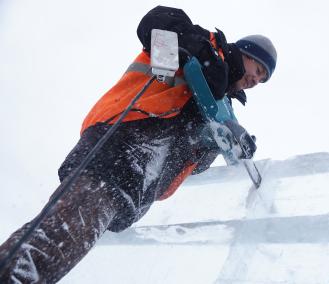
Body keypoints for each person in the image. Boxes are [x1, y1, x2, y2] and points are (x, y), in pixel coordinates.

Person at [0, 5, 277, 283]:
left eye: (263, 78)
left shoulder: (222, 108)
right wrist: (197, 51)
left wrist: (216, 143)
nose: (256, 79)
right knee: (54, 243)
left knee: (64, 244)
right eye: (258, 67)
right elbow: (156, 22)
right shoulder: (207, 46)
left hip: (142, 183)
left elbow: (192, 162)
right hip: (122, 145)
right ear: (244, 53)